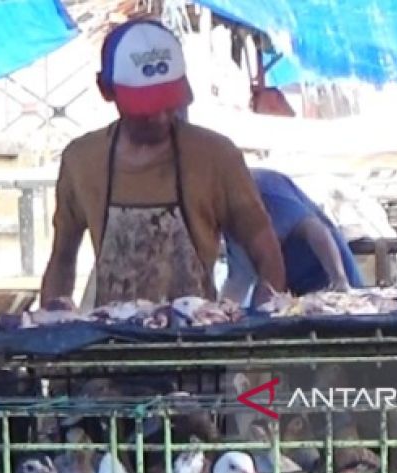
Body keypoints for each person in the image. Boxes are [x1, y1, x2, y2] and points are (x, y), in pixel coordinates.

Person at [38, 18, 286, 310]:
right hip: (113, 342)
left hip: (197, 340)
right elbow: (63, 257)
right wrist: (50, 324)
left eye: (168, 105)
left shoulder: (216, 156)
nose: (159, 118)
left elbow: (264, 246)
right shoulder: (81, 161)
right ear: (107, 91)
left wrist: (265, 313)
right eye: (145, 109)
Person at [220, 168, 364, 302]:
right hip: (295, 290)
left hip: (328, 275)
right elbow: (238, 279)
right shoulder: (227, 214)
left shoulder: (262, 189)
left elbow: (314, 230)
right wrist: (219, 311)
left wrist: (339, 280)